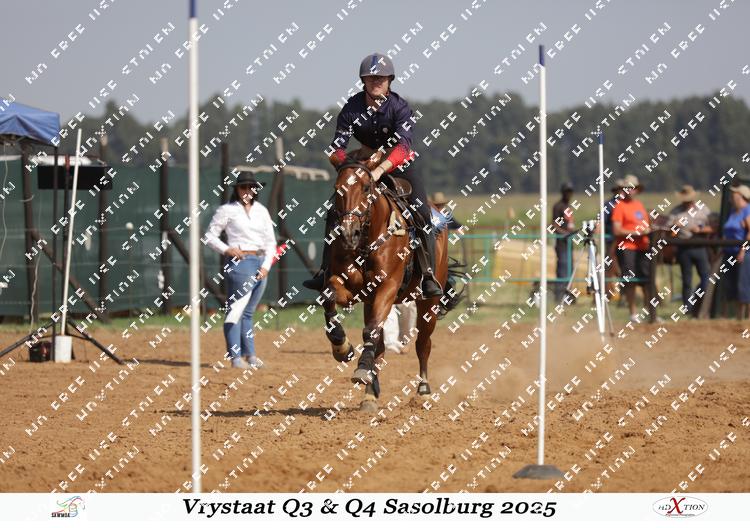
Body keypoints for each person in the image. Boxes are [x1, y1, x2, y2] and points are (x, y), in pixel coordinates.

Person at [302, 52, 443, 298]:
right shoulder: (351, 108)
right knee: (336, 211)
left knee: (421, 212)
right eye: (371, 78)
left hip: (399, 164)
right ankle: (325, 271)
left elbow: (403, 147)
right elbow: (337, 148)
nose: (376, 82)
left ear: (390, 81)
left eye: (381, 78)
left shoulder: (400, 108)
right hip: (364, 164)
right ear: (363, 81)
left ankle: (428, 275)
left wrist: (379, 169)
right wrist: (349, 167)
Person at [204, 174, 277, 368]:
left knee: (248, 312)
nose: (247, 191)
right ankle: (236, 358)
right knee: (236, 309)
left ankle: (250, 355)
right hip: (241, 262)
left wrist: (266, 266)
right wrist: (227, 249)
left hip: (261, 261)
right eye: (243, 187)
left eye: (251, 187)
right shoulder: (227, 210)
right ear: (236, 189)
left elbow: (271, 242)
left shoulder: (262, 211)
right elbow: (209, 236)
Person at [611, 174, 652, 322]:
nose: (630, 190)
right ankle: (633, 313)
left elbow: (646, 224)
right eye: (627, 188)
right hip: (627, 247)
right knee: (630, 280)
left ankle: (650, 312)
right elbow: (617, 230)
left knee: (647, 279)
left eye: (632, 188)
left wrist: (647, 231)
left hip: (643, 247)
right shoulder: (619, 207)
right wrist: (635, 233)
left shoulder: (639, 205)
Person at [668, 184, 712, 315]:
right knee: (686, 280)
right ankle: (688, 308)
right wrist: (675, 226)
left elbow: (713, 226)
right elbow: (669, 231)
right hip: (684, 248)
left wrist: (700, 230)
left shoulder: (704, 210)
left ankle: (701, 304)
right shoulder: (675, 212)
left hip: (700, 246)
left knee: (706, 278)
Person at [721, 184, 750, 319]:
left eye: (735, 194)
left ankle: (742, 316)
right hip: (729, 252)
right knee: (729, 283)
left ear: (742, 196)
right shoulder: (733, 211)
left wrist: (742, 251)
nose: (732, 196)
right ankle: (728, 316)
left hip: (743, 254)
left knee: (742, 284)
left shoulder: (747, 210)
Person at [551, 182, 575, 302]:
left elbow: (569, 224)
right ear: (563, 192)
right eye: (567, 191)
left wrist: (572, 233)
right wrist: (565, 234)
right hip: (561, 245)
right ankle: (559, 297)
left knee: (570, 270)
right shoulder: (558, 206)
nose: (569, 194)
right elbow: (554, 225)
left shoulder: (568, 206)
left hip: (569, 244)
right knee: (563, 270)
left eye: (570, 192)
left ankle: (568, 297)